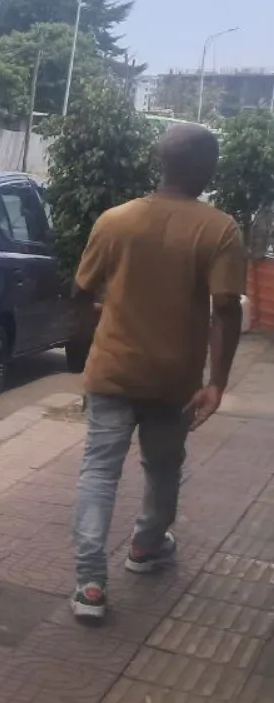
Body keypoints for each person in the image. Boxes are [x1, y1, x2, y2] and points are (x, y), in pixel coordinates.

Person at [69, 122, 246, 621]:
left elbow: (82, 293)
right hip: (174, 379)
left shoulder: (115, 220)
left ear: (159, 163)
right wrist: (217, 381)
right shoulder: (220, 229)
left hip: (112, 371)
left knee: (98, 472)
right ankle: (146, 547)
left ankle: (89, 585)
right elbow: (227, 307)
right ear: (210, 170)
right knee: (163, 466)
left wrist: (95, 341)